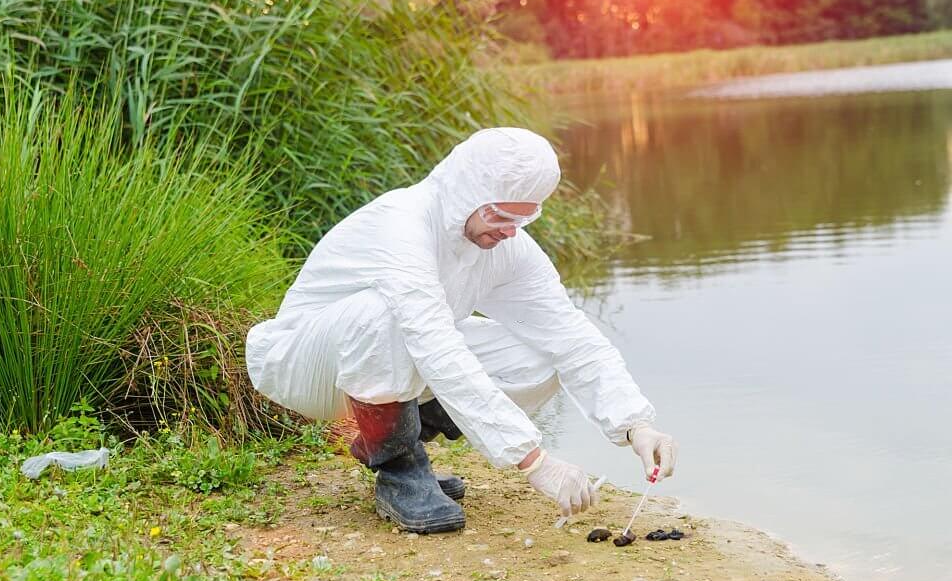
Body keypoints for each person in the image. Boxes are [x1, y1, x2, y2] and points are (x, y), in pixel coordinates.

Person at [246, 128, 677, 534]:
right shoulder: (403, 226)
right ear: (467, 191)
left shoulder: (504, 245)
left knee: (540, 356)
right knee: (387, 314)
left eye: (522, 220)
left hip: (391, 362)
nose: (508, 231)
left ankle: (405, 437)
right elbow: (433, 344)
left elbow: (570, 335)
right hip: (304, 366)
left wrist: (636, 424)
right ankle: (399, 467)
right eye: (500, 215)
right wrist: (534, 462)